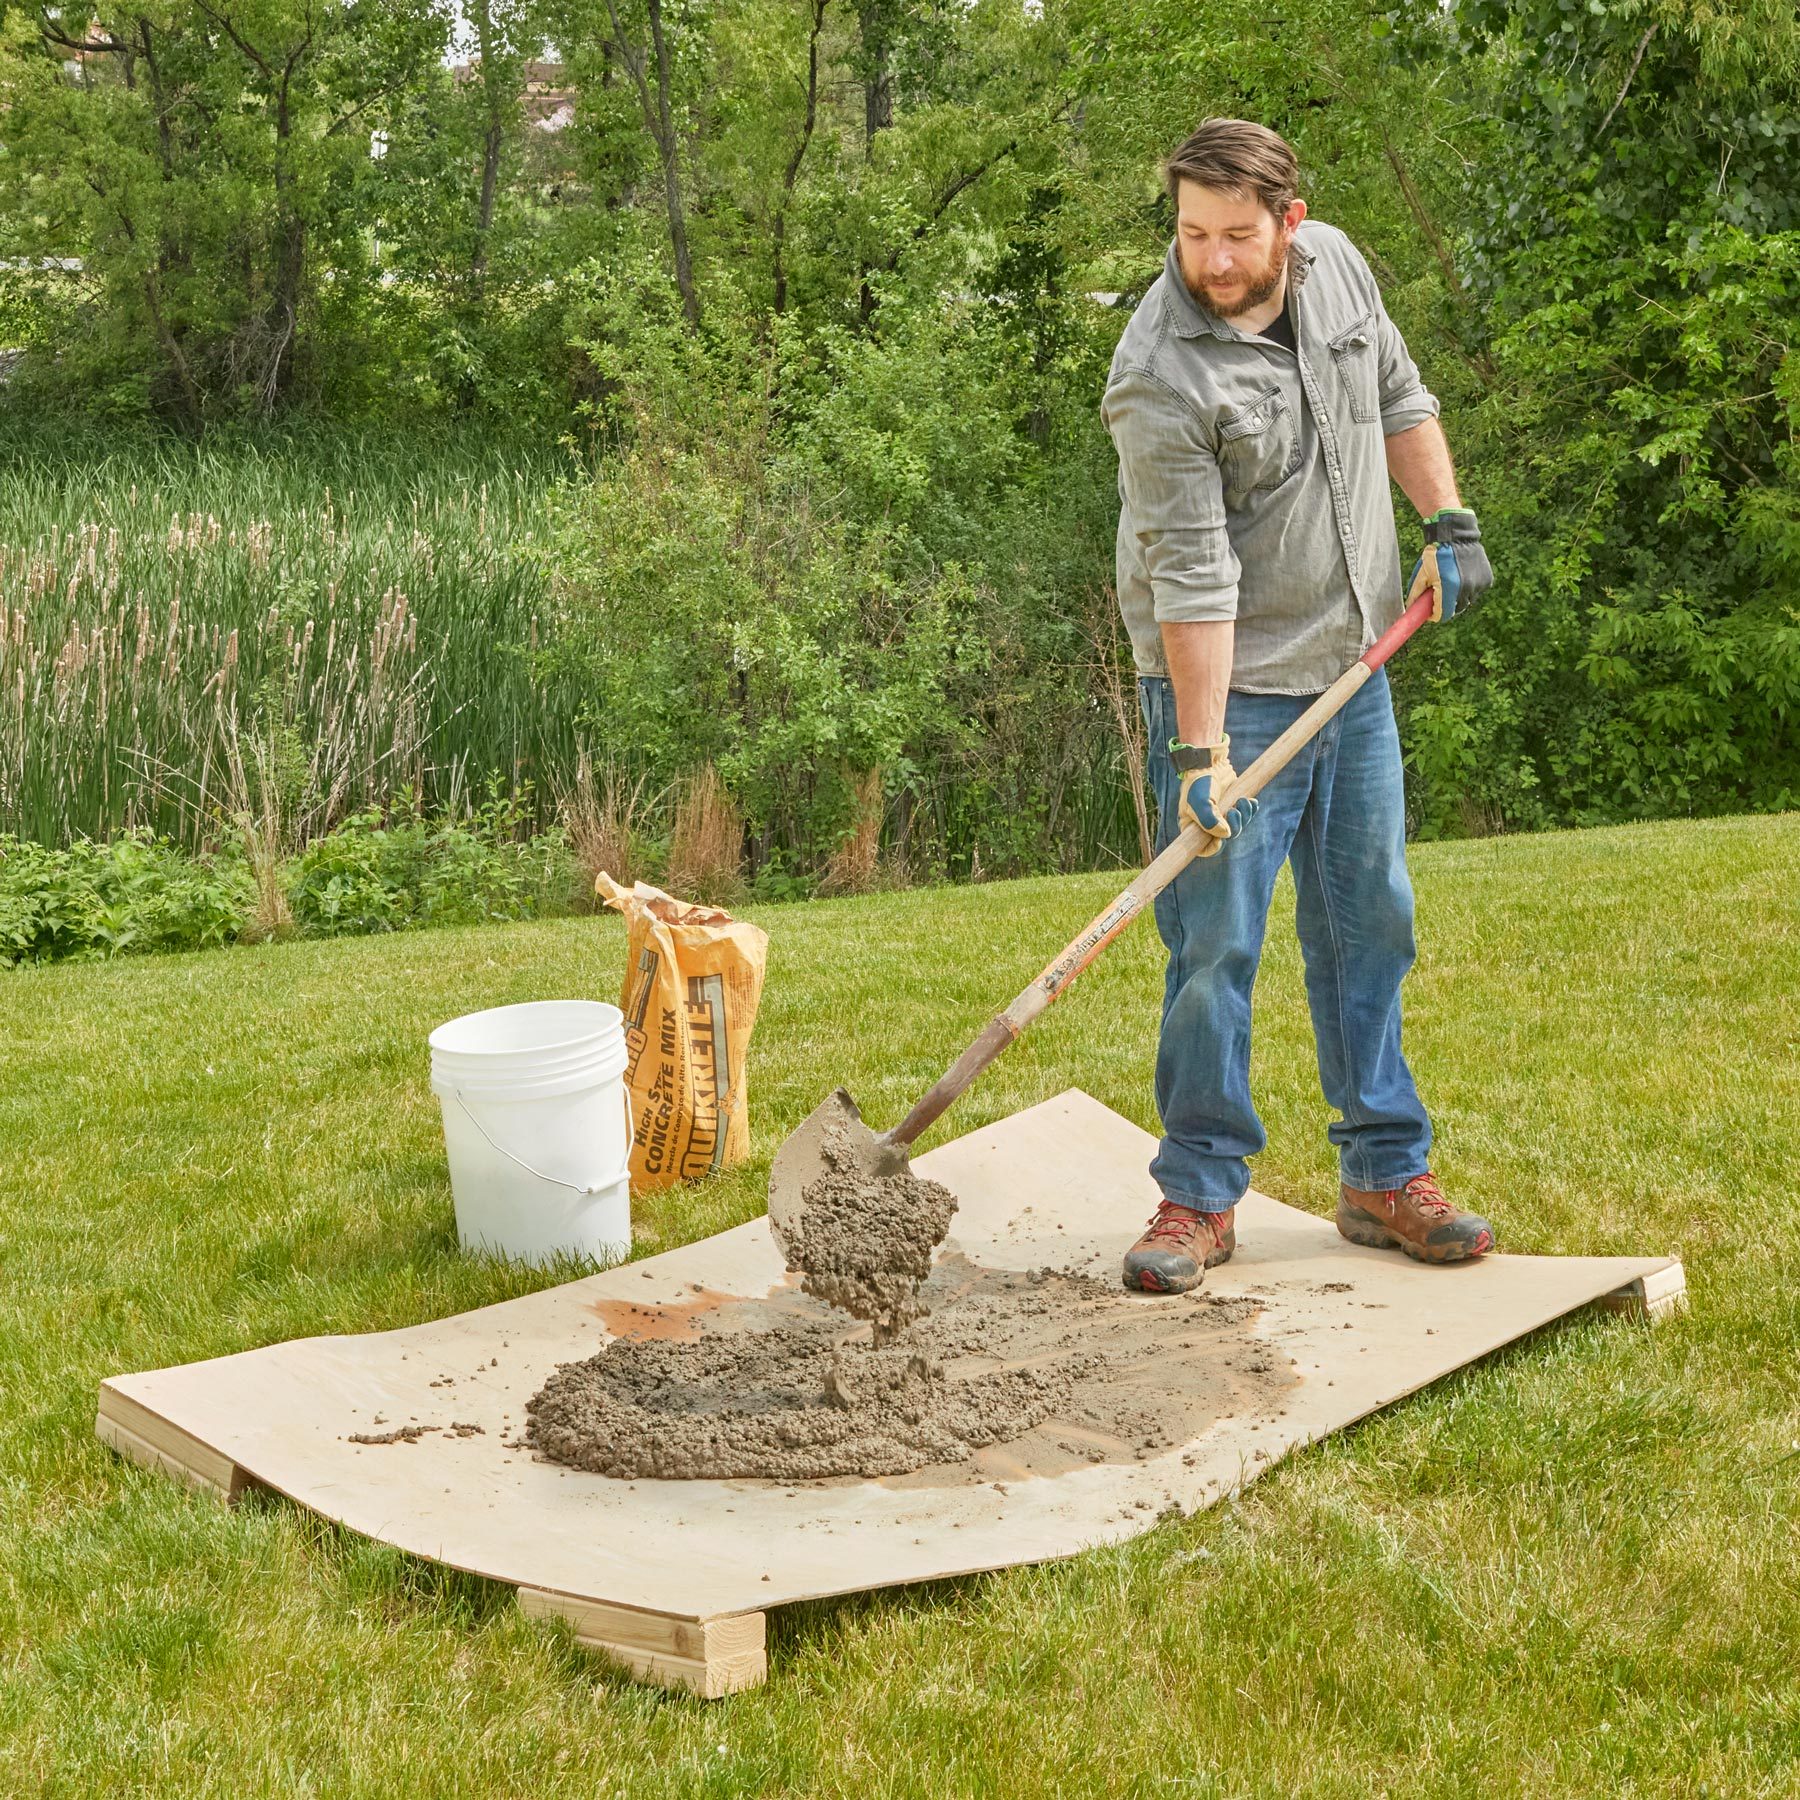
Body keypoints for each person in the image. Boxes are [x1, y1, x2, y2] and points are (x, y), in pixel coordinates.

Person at [1102, 117, 1497, 1294]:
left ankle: (1384, 1171)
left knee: (1370, 923)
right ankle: (1199, 1194)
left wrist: (1450, 522)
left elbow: (1397, 395)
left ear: (1287, 219)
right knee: (1216, 946)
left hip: (1354, 669)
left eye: (1234, 235)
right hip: (1227, 695)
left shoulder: (1338, 268)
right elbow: (1192, 574)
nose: (1211, 262)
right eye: (1189, 234)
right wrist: (1200, 750)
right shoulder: (1159, 372)